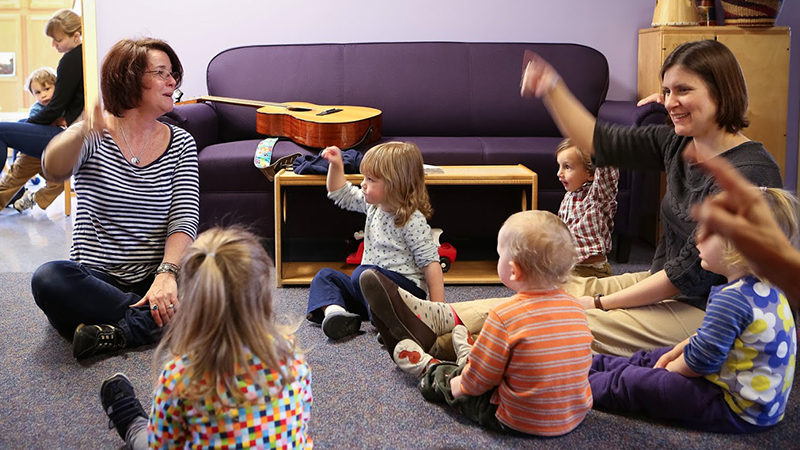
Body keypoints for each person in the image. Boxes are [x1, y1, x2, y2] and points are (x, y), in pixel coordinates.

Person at [361, 39, 784, 359]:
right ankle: (441, 320)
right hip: (670, 282)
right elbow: (598, 141)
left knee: (575, 314)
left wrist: (600, 300)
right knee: (557, 285)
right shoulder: (678, 142)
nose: (670, 103)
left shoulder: (747, 175)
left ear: (721, 93)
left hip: (711, 311)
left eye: (683, 91)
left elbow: (689, 275)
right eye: (666, 91)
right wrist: (552, 89)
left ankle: (446, 346)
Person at [31, 38, 199, 359]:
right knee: (50, 279)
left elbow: (184, 217)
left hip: (156, 276)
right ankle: (156, 322)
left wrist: (166, 273)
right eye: (161, 72)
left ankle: (115, 331)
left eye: (173, 73)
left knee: (219, 273)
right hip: (97, 278)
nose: (172, 81)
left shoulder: (181, 142)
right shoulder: (94, 134)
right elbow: (52, 170)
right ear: (129, 79)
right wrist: (80, 131)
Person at [362, 210, 593, 436]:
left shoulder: (504, 316)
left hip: (515, 418)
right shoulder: (576, 307)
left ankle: (428, 365)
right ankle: (467, 350)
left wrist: (458, 385)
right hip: (572, 416)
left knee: (453, 381)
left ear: (513, 271)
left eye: (500, 256)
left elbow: (480, 380)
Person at [589, 187, 798, 433]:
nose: (697, 238)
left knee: (639, 383)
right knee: (654, 356)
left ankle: (573, 384)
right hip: (744, 391)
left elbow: (700, 362)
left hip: (734, 408)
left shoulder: (733, 300)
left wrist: (669, 369)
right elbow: (707, 342)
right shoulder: (767, 288)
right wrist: (674, 353)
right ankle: (593, 364)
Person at [98, 227, 313, 449]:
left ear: (190, 303)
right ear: (264, 297)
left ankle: (133, 423)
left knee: (144, 439)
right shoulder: (292, 355)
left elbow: (162, 445)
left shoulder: (182, 376)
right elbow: (301, 423)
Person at [306, 141, 444, 340]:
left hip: (404, 294)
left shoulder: (412, 221)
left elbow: (431, 265)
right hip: (369, 289)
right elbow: (339, 192)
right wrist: (336, 165)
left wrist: (439, 312)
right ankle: (337, 315)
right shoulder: (373, 205)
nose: (362, 183)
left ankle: (394, 324)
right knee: (325, 276)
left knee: (365, 274)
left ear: (395, 184)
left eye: (370, 179)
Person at [0, 9, 84, 210]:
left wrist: (31, 124)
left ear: (76, 36)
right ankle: (16, 186)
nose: (53, 45)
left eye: (57, 40)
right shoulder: (82, 56)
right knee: (19, 125)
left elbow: (56, 107)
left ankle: (17, 186)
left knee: (3, 129)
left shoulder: (71, 59)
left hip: (69, 134)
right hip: (71, 130)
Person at [693, 156, 800, 308]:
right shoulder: (775, 288)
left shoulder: (730, 301)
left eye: (711, 232)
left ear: (739, 246)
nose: (698, 238)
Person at [555, 138, 618, 278]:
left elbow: (607, 171)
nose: (559, 173)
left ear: (591, 173)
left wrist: (598, 145)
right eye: (559, 166)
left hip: (591, 270)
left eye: (567, 167)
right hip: (570, 265)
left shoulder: (598, 196)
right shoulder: (569, 197)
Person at [10, 67, 67, 212]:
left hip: (53, 155)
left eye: (47, 89)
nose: (43, 95)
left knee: (59, 184)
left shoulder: (63, 105)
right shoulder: (36, 109)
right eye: (38, 93)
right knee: (13, 179)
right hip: (33, 154)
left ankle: (33, 199)